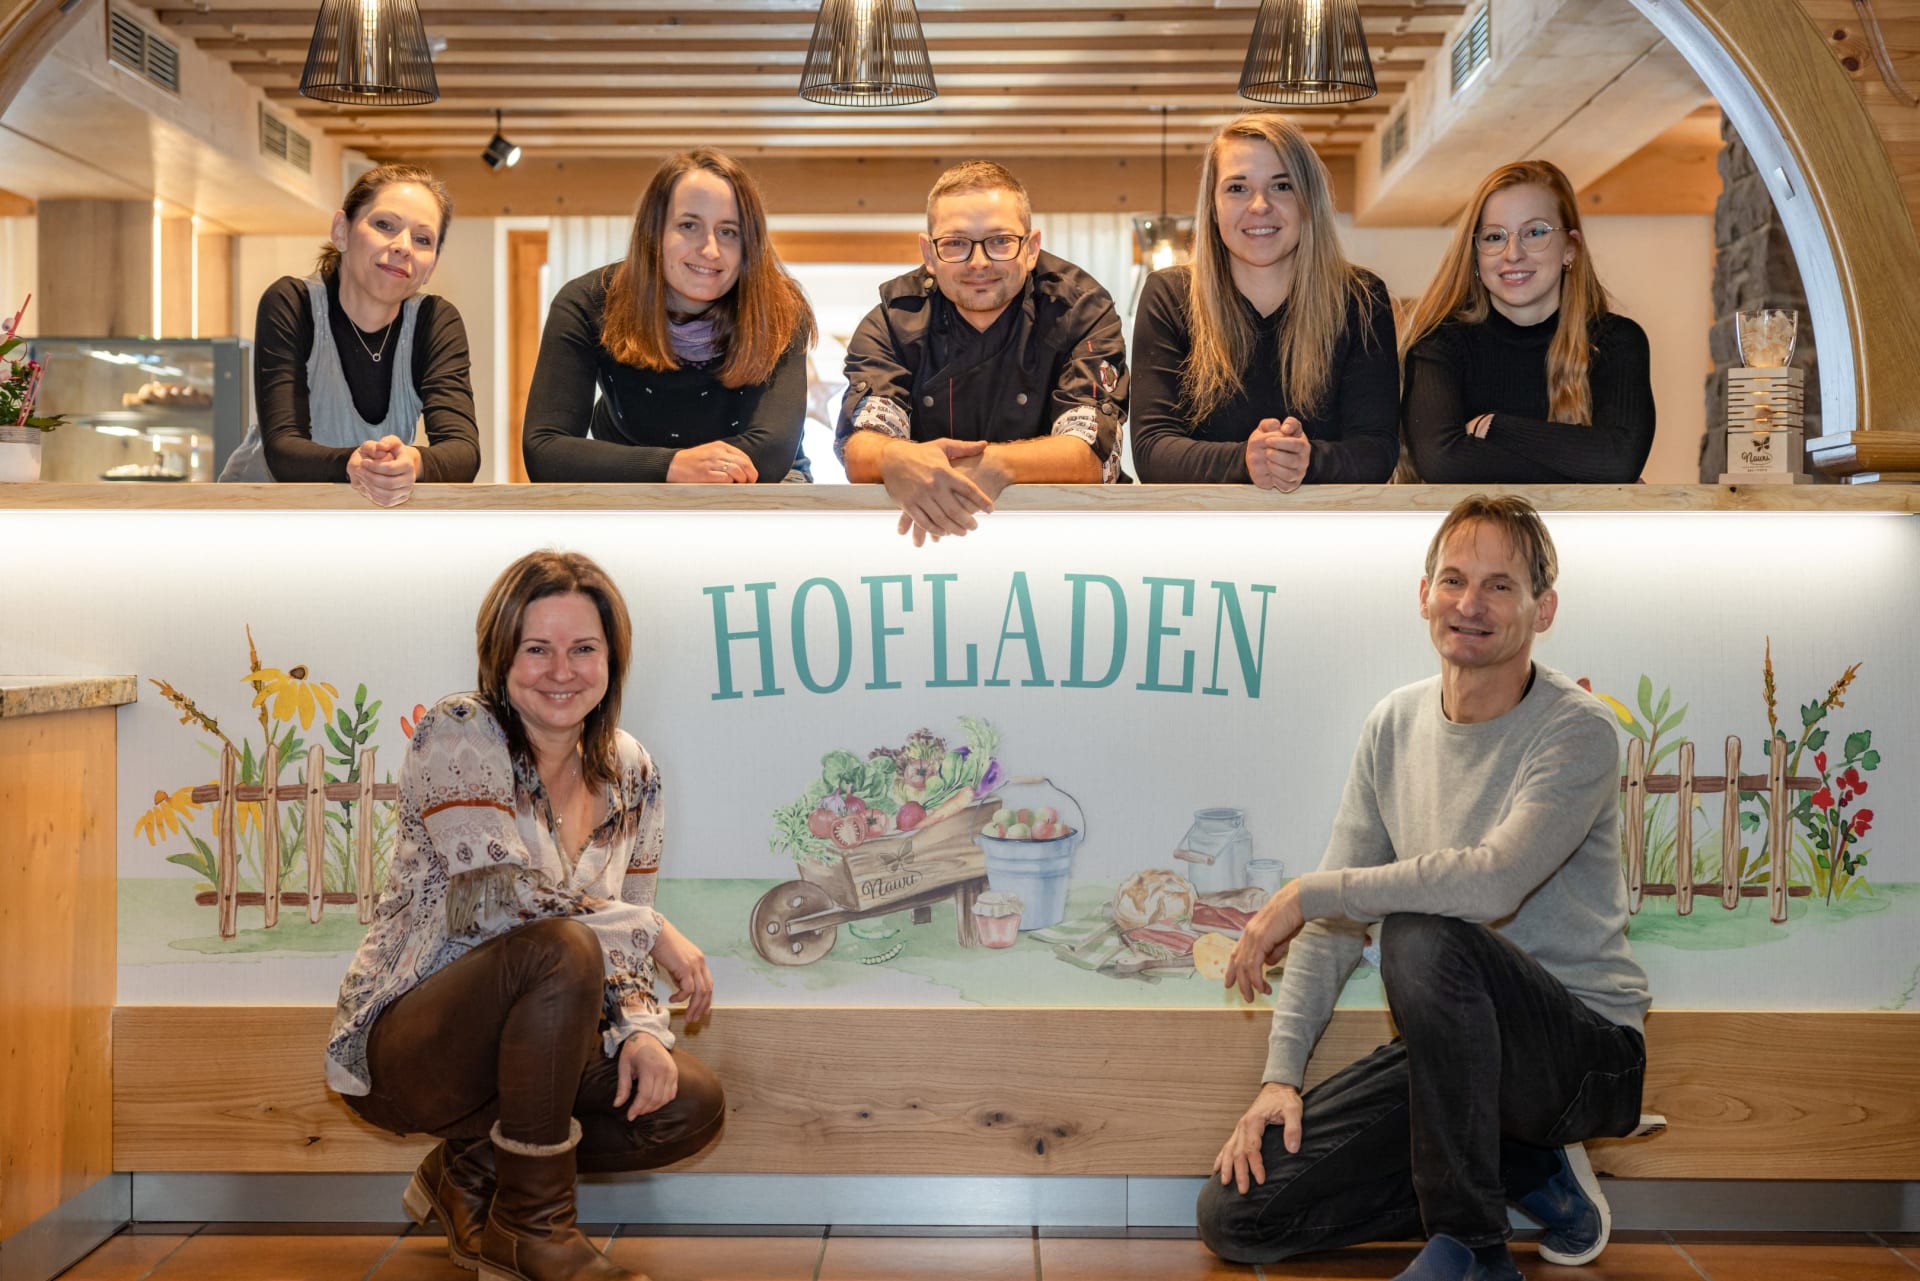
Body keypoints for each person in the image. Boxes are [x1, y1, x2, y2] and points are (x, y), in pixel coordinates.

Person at [1199, 495, 1650, 1281]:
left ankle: (1474, 1250)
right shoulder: (1393, 725)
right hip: (1456, 1057)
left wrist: (1303, 894)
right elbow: (1336, 930)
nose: (1471, 603)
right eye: (1454, 579)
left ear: (1543, 609)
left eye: (1500, 586)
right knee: (1237, 1212)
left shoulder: (1577, 730)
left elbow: (1492, 879)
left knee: (1419, 931)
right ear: (1424, 595)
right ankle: (1524, 1165)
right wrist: (1280, 1076)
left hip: (1582, 1056)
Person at [326, 550, 723, 1281]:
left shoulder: (633, 770)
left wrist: (639, 1030)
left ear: (612, 660)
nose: (561, 671)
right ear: (500, 656)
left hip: (539, 1040)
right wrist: (652, 930)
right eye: (537, 649)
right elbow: (497, 902)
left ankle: (467, 1173)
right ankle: (535, 1232)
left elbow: (622, 931)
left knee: (687, 1102)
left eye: (584, 649)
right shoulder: (460, 731)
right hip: (412, 1046)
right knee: (558, 947)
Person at [837, 160, 1128, 544]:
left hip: (1066, 538)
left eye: (1000, 241)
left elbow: (1092, 454)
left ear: (1031, 248)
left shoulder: (1080, 311)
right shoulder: (893, 320)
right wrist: (894, 458)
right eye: (955, 243)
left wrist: (997, 465)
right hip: (927, 541)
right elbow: (860, 448)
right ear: (929, 253)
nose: (979, 262)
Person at [1131, 114, 1398, 488]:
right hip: (1202, 524)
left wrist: (1308, 460)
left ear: (1308, 201)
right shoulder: (1170, 296)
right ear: (1213, 207)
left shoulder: (1362, 298)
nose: (1260, 205)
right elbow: (1152, 451)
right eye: (1237, 188)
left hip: (1328, 525)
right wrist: (1246, 460)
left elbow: (1378, 451)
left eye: (1282, 186)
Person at [523, 149, 816, 484]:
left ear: (749, 243)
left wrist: (691, 469)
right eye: (689, 226)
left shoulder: (780, 308)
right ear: (654, 232)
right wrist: (672, 465)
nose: (710, 250)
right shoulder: (587, 302)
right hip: (633, 481)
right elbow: (545, 450)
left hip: (761, 483)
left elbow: (772, 452)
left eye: (728, 232)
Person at [221, 162, 480, 503]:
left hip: (355, 517)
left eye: (422, 239)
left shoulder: (435, 322)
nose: (403, 246)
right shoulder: (292, 303)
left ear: (431, 265)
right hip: (258, 512)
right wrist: (352, 464)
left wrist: (414, 463)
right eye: (385, 225)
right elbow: (284, 449)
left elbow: (463, 451)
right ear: (341, 231)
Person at [1399, 160, 1655, 483]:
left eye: (1535, 233)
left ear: (1571, 248)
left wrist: (1495, 426)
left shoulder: (1614, 341)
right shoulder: (1439, 345)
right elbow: (1442, 463)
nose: (1513, 253)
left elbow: (1619, 461)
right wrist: (1588, 467)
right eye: (1494, 237)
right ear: (1475, 254)